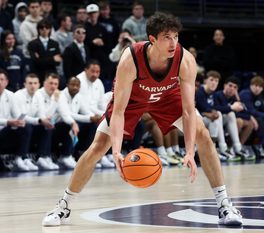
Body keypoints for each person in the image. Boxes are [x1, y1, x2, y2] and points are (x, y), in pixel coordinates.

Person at [42, 12, 242, 227]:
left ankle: (224, 205)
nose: (173, 42)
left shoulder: (185, 60)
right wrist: (117, 151)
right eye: (167, 37)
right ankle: (63, 206)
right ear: (152, 39)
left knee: (203, 135)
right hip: (132, 99)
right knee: (98, 147)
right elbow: (118, 111)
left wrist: (190, 150)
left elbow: (187, 111)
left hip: (167, 96)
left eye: (176, 36)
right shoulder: (130, 59)